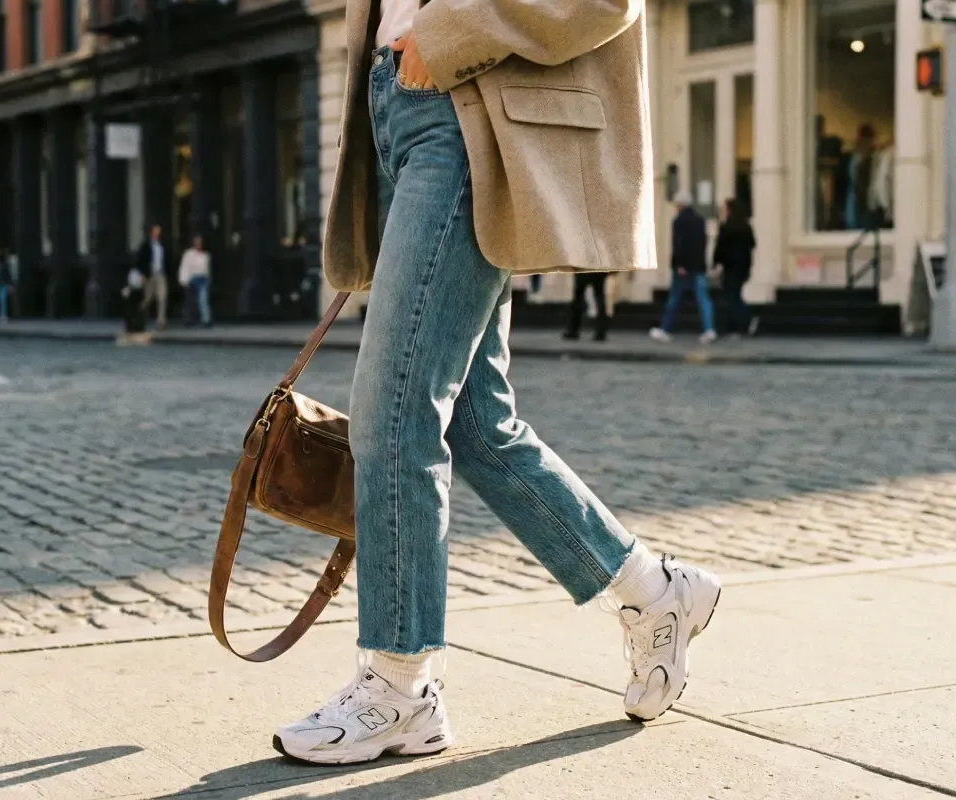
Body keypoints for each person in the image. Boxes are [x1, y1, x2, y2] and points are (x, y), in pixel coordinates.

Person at [270, 2, 722, 765]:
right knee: (476, 425)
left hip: (465, 109)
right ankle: (654, 590)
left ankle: (399, 683)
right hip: (399, 105)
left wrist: (440, 42)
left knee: (395, 410)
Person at [650, 191, 717, 344]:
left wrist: (680, 264)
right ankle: (709, 329)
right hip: (698, 265)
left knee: (675, 298)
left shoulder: (679, 221)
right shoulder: (700, 221)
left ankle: (666, 329)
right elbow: (702, 243)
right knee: (703, 298)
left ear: (680, 205)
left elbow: (678, 245)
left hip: (683, 267)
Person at [712, 198, 758, 338]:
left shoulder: (726, 227)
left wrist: (715, 263)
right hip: (743, 266)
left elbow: (720, 248)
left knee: (732, 296)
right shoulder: (746, 226)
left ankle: (744, 322)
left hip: (730, 266)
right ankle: (740, 323)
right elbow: (752, 244)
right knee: (735, 294)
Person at [563, 272, 612, 342]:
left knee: (578, 297)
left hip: (584, 267)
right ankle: (601, 332)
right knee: (599, 297)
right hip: (598, 269)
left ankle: (573, 330)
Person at [136, 224, 168, 330]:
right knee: (148, 298)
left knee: (162, 297)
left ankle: (161, 321)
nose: (158, 233)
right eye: (156, 231)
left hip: (160, 273)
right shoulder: (146, 245)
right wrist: (142, 274)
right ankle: (138, 316)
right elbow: (140, 260)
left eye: (159, 231)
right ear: (151, 232)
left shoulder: (162, 245)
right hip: (149, 274)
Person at [178, 235, 211, 328]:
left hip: (202, 278)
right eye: (197, 242)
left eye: (200, 242)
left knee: (203, 298)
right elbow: (185, 267)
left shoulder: (205, 255)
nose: (198, 244)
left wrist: (208, 279)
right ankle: (190, 319)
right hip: (193, 278)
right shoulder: (189, 254)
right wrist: (183, 280)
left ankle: (206, 319)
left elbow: (206, 269)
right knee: (190, 300)